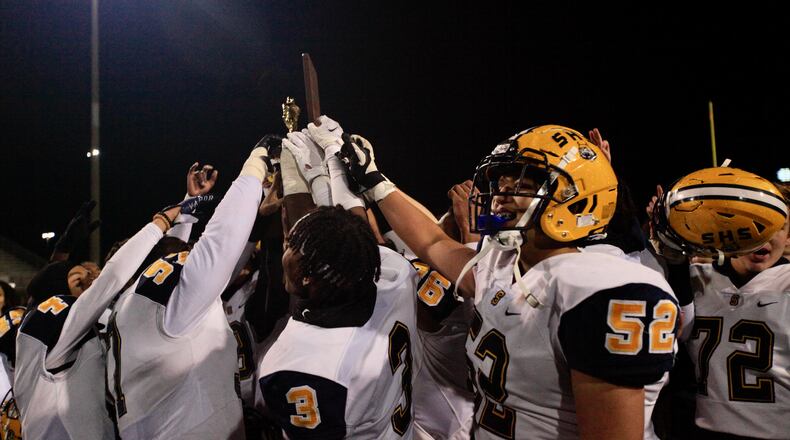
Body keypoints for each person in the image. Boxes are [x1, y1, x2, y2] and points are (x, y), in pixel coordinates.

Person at [321, 117, 679, 439]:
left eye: (525, 180)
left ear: (575, 197)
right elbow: (432, 242)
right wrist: (374, 181)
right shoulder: (504, 263)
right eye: (502, 178)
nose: (503, 190)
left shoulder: (602, 289)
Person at [255, 128, 421, 439]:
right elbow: (347, 229)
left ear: (308, 277)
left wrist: (312, 171)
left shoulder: (299, 369)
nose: (284, 250)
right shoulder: (392, 277)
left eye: (290, 247)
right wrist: (327, 167)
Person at [105, 145, 268, 439]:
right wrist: (254, 168)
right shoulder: (170, 299)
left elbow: (164, 258)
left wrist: (189, 207)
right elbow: (220, 243)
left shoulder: (127, 303)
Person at [14, 203, 181, 440]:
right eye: (78, 280)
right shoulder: (54, 319)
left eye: (90, 276)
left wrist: (62, 252)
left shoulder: (55, 329)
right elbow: (108, 282)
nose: (89, 282)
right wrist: (161, 223)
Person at [652, 167, 790, 439]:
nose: (762, 234)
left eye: (777, 226)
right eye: (752, 222)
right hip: (703, 430)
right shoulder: (694, 279)